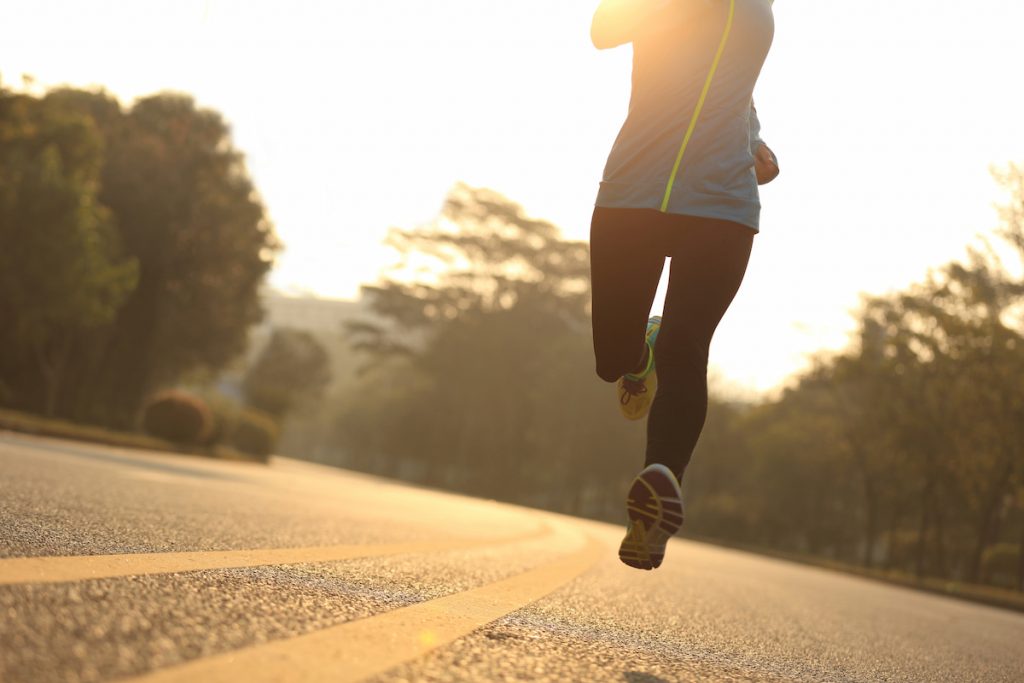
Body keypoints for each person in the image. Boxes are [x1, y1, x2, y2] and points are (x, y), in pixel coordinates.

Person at [588, 0, 777, 570]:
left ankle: (657, 497)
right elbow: (603, 30)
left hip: (724, 205)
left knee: (686, 347)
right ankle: (635, 351)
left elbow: (727, 78)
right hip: (633, 193)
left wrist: (753, 135)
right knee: (611, 359)